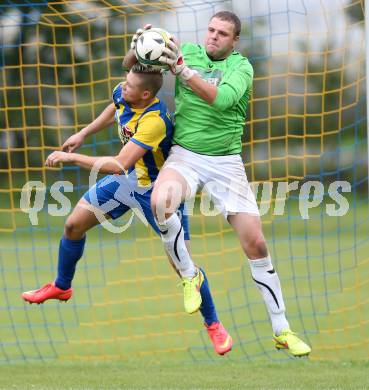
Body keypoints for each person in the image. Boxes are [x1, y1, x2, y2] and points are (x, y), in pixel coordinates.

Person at [125, 11, 311, 357]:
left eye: (222, 33)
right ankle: (189, 275)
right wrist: (141, 45)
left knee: (255, 243)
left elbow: (221, 100)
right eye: (210, 30)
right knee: (160, 202)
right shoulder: (187, 51)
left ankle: (282, 329)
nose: (213, 37)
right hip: (185, 155)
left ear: (234, 40)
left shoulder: (242, 68)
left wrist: (183, 71)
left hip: (226, 162)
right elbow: (135, 67)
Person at [21, 64, 232, 356]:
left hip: (158, 191)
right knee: (73, 226)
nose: (123, 87)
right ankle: (61, 286)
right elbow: (114, 107)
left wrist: (70, 157)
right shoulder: (127, 92)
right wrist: (83, 132)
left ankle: (214, 325)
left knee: (184, 267)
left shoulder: (154, 121)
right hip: (125, 183)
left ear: (146, 94)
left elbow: (118, 163)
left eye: (130, 86)